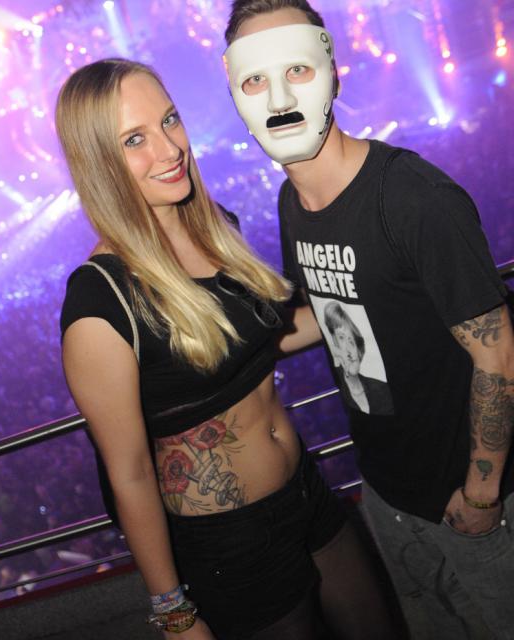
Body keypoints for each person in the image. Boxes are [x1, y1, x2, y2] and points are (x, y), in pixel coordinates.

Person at [56, 58, 394, 639]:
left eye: (169, 120)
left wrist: (384, 293)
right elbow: (130, 474)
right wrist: (174, 612)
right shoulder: (100, 302)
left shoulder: (215, 225)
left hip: (306, 490)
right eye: (135, 140)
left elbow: (265, 338)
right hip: (229, 544)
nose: (169, 149)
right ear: (98, 162)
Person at [224, 1, 514, 638]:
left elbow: (497, 353)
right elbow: (333, 310)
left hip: (469, 500)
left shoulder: (413, 197)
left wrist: (482, 492)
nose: (279, 98)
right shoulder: (293, 200)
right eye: (255, 80)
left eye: (297, 70)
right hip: (385, 493)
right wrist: (222, 353)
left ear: (333, 71)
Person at [322, 301, 392, 415]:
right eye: (341, 338)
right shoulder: (333, 379)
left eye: (351, 341)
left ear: (359, 350)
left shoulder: (380, 388)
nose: (349, 349)